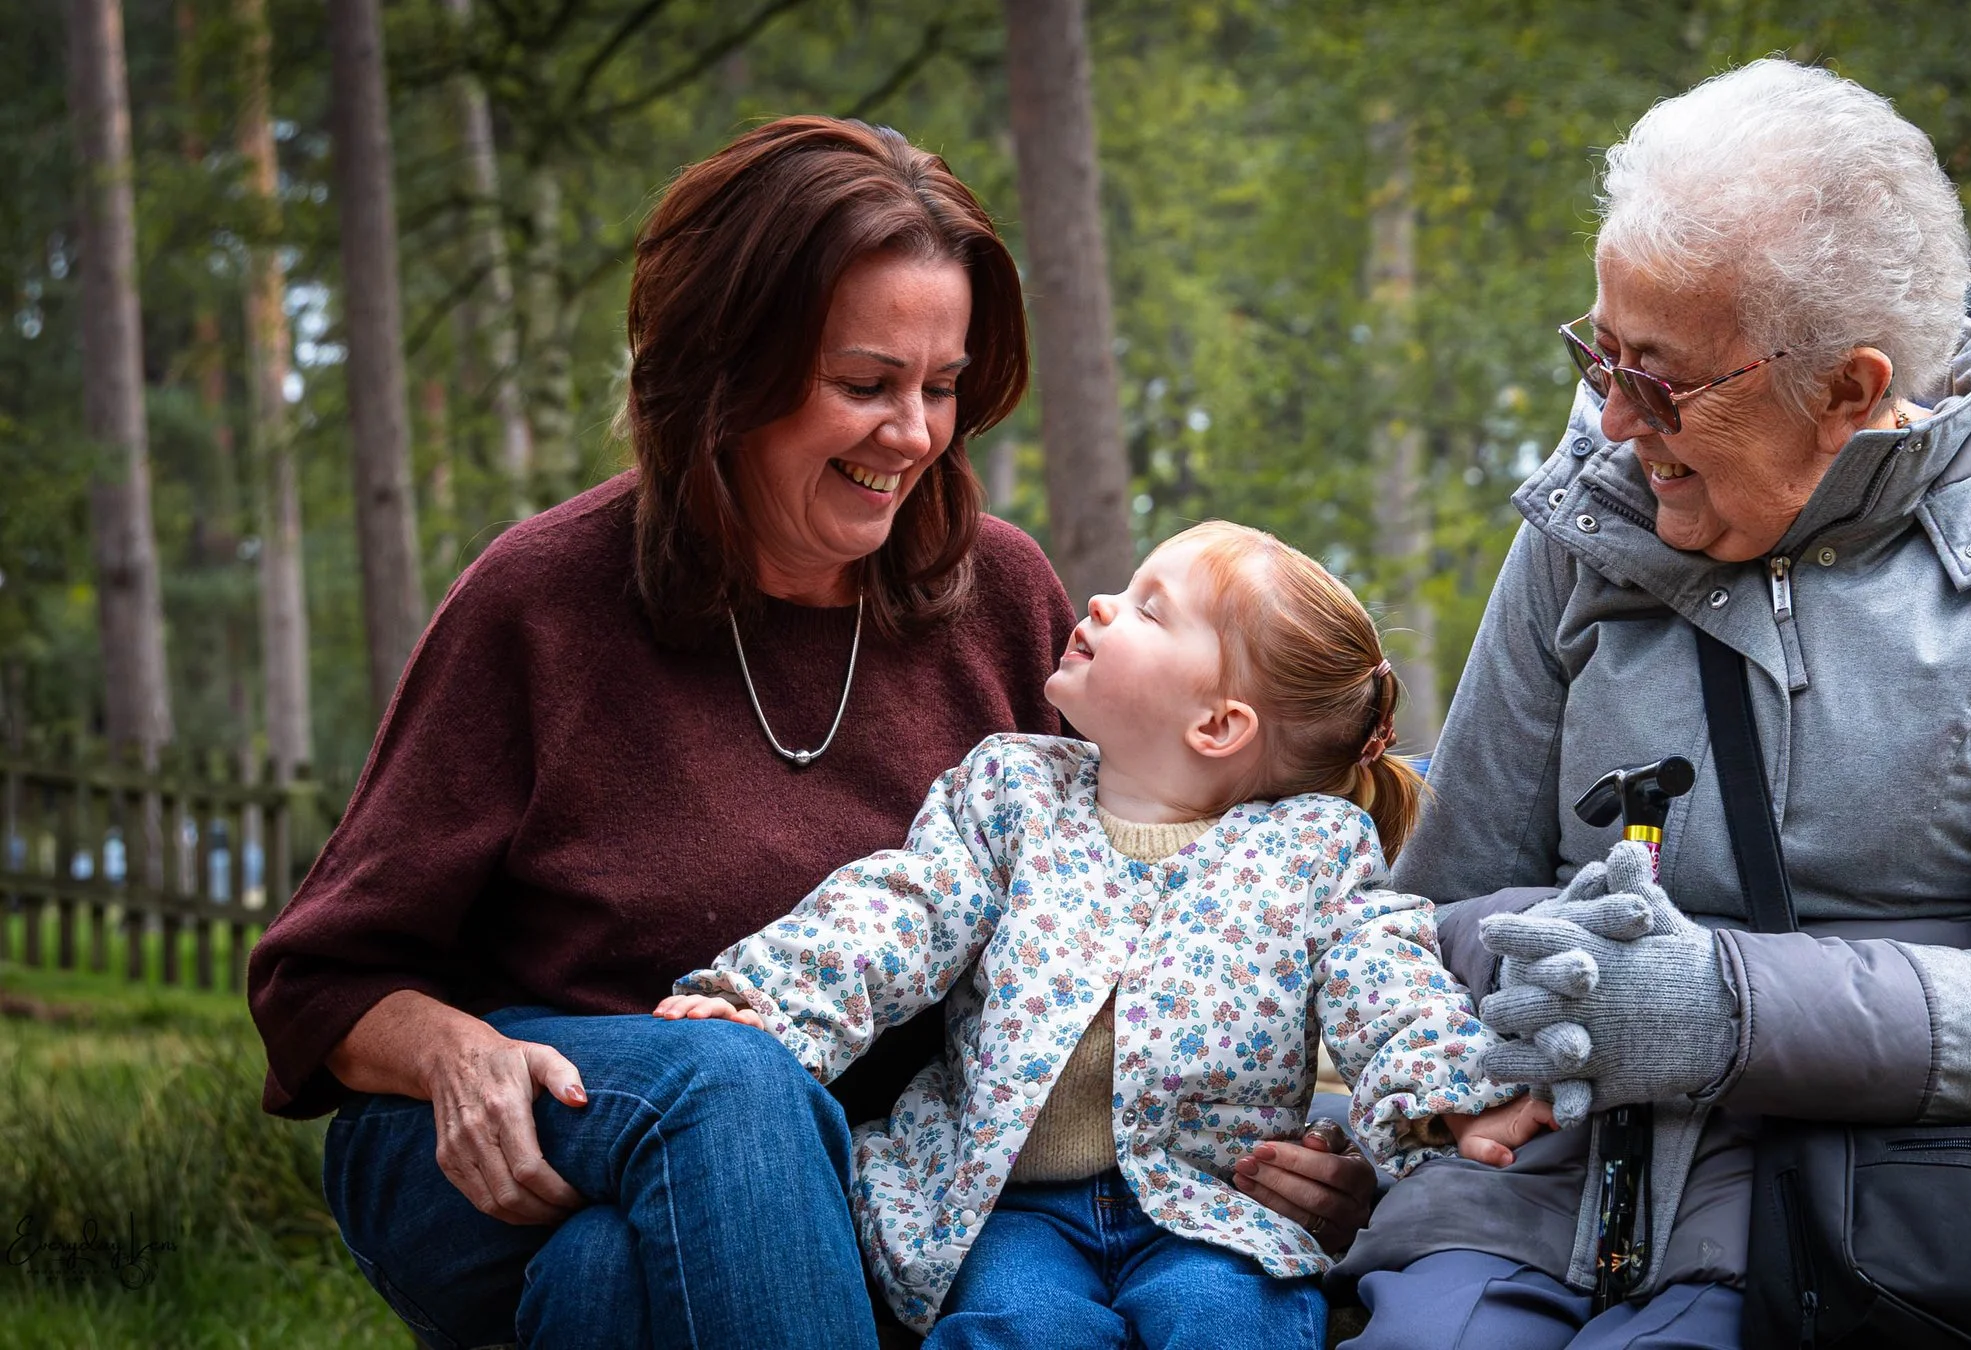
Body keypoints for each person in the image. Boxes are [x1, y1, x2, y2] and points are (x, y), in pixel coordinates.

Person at [244, 117, 1373, 1350]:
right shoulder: (541, 601)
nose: (914, 436)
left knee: (608, 1283)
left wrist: (1299, 1153)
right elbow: (318, 982)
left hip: (863, 1185)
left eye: (940, 387)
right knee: (731, 1084)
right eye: (866, 384)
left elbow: (1187, 897)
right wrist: (452, 1048)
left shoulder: (997, 598)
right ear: (728, 374)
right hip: (518, 1137)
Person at [1336, 58, 1971, 1350]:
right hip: (1522, 1190)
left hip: (1847, 1216)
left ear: (1850, 385)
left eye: (1662, 379)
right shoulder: (1585, 521)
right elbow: (1437, 913)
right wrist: (1410, 1100)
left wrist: (1723, 1005)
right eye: (1599, 352)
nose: (1613, 421)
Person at [658, 521, 1554, 1350]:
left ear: (1217, 724)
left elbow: (1385, 977)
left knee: (1232, 1323)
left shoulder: (1312, 852)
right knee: (1017, 1327)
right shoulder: (1013, 795)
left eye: (1148, 609)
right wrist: (766, 1003)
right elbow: (901, 911)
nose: (1099, 604)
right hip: (1008, 1206)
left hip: (1211, 1208)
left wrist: (1459, 1094)